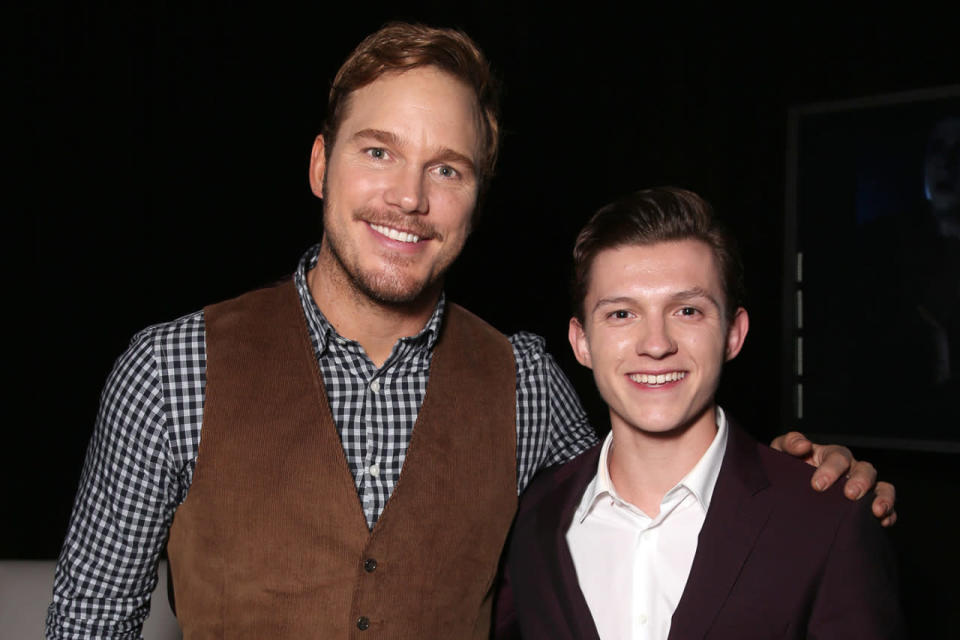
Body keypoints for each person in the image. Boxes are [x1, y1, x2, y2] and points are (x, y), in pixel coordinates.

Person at [46, 24, 893, 639]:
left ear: (475, 199)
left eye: (445, 169)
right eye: (377, 152)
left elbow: (648, 486)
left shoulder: (523, 379)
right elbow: (91, 621)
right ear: (319, 165)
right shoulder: (171, 368)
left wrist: (804, 479)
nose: (408, 198)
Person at [494, 187, 905, 639]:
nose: (656, 343)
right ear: (581, 342)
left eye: (687, 310)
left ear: (733, 333)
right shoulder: (532, 517)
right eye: (621, 314)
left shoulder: (827, 520)